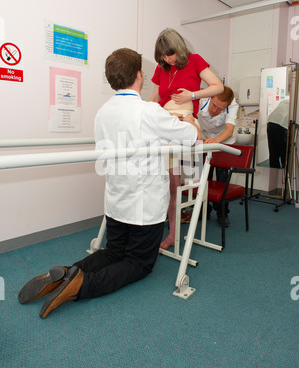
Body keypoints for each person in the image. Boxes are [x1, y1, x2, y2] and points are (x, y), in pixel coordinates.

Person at [18, 48, 199, 319]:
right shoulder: (148, 111)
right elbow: (191, 136)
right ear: (139, 75)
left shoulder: (102, 113)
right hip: (144, 207)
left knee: (114, 251)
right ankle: (82, 285)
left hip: (116, 201)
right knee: (139, 262)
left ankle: (68, 273)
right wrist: (189, 120)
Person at [150, 28, 224, 249]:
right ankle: (168, 232)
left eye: (170, 54)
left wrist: (191, 95)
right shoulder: (160, 68)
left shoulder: (194, 60)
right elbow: (154, 99)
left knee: (182, 183)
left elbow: (218, 86)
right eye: (162, 55)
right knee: (170, 185)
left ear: (179, 49)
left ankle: (178, 230)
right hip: (165, 122)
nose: (167, 59)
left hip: (185, 122)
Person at [198, 86, 239, 226]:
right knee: (204, 178)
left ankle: (222, 212)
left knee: (222, 179)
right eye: (213, 105)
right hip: (204, 141)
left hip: (224, 142)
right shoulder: (202, 98)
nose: (214, 111)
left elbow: (229, 130)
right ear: (210, 98)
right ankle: (203, 210)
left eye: (220, 109)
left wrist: (216, 141)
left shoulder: (233, 105)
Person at [267, 98, 290, 168]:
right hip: (281, 124)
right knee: (284, 152)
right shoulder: (294, 104)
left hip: (270, 122)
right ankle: (284, 173)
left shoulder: (285, 101)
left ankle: (274, 173)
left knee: (273, 153)